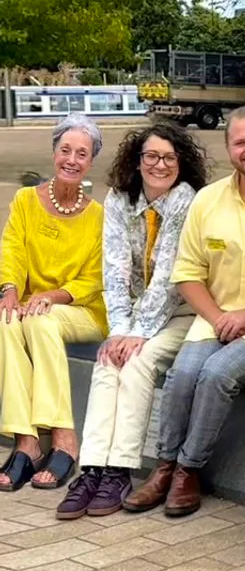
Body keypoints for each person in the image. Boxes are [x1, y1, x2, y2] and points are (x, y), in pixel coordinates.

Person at [124, 107, 245, 517]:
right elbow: (186, 273)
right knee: (184, 373)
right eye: (241, 142)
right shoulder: (208, 200)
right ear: (228, 147)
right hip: (214, 319)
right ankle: (163, 466)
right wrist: (219, 317)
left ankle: (188, 469)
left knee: (218, 375)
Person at [56, 124, 209, 519]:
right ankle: (92, 469)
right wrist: (120, 330)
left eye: (169, 158)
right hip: (132, 312)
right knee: (109, 360)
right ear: (136, 161)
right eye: (151, 157)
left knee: (138, 362)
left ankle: (120, 469)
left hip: (178, 312)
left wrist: (138, 334)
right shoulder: (120, 199)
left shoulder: (186, 200)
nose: (160, 165)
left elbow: (170, 280)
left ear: (181, 163)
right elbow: (115, 269)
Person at [0, 115, 107, 492]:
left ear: (91, 161)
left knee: (40, 321)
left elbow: (95, 279)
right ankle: (25, 441)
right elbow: (11, 247)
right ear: (53, 153)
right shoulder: (25, 200)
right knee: (9, 320)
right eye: (65, 150)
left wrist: (54, 296)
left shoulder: (98, 216)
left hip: (81, 309)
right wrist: (9, 287)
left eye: (82, 153)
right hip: (31, 306)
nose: (72, 160)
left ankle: (64, 438)